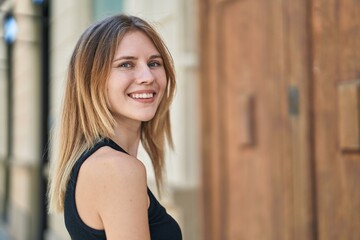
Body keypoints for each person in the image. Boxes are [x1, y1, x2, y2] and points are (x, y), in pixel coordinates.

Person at [48, 14, 182, 240]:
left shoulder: (98, 163)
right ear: (91, 79)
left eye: (154, 63)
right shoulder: (116, 169)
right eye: (126, 64)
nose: (147, 76)